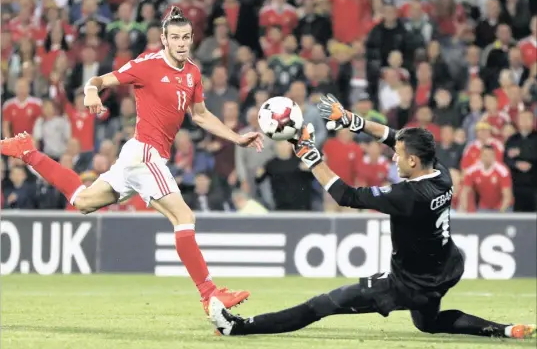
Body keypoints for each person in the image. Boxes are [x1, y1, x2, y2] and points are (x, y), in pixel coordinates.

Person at [0, 7, 264, 315]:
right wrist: (90, 92)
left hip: (136, 156)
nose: (181, 43)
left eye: (186, 37)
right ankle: (209, 294)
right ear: (163, 39)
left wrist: (235, 137)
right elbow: (99, 80)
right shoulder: (146, 65)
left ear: (192, 39)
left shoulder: (192, 72)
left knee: (83, 201)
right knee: (184, 217)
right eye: (175, 37)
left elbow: (201, 115)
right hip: (145, 153)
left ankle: (27, 151)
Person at [208, 94, 535, 339]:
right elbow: (396, 136)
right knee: (429, 323)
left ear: (413, 162)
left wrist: (310, 155)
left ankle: (237, 329)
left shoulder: (407, 196)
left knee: (323, 304)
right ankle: (504, 331)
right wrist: (353, 120)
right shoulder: (441, 174)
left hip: (408, 285)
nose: (394, 156)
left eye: (400, 156)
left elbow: (346, 195)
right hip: (448, 267)